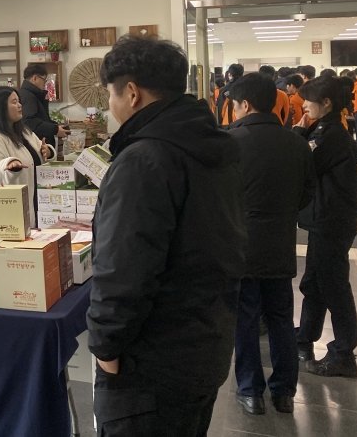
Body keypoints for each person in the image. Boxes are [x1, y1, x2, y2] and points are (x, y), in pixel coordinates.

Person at [88, 36, 246, 435]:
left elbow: (123, 268)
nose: (110, 106)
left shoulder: (144, 160)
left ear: (132, 93)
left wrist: (105, 347)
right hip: (203, 343)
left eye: (110, 94)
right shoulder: (211, 144)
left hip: (150, 364)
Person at [227, 73, 316, 416]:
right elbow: (307, 193)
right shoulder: (296, 142)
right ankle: (284, 392)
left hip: (241, 245)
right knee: (280, 318)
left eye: (235, 106)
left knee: (245, 319)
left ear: (245, 104)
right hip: (281, 243)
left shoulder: (230, 142)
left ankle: (251, 391)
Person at [294, 75, 357, 378]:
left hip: (332, 220)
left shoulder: (332, 135)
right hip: (324, 219)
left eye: (309, 100)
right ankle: (305, 336)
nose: (304, 105)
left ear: (327, 103)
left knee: (334, 286)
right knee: (314, 282)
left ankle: (343, 353)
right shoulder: (323, 128)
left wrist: (298, 133)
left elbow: (306, 164)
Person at [0, 86, 51, 226]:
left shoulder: (24, 131)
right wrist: (8, 165)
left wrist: (47, 151)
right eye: (14, 102)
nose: (20, 105)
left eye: (19, 101)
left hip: (35, 203)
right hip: (8, 213)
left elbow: (40, 148)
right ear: (0, 107)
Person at [18, 62, 69, 149]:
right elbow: (29, 122)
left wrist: (55, 126)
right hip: (36, 146)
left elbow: (41, 119)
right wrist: (55, 129)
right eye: (44, 79)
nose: (45, 83)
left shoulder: (31, 94)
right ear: (35, 78)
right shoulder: (28, 96)